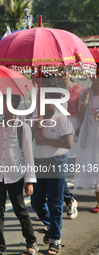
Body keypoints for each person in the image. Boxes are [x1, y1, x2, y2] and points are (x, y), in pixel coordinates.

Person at [0, 94, 38, 255]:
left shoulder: (22, 127)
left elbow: (28, 156)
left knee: (20, 210)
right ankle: (0, 248)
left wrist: (29, 181)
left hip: (15, 176)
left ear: (12, 104)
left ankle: (31, 241)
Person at [30, 77, 74, 255]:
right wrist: (34, 129)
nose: (43, 102)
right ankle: (51, 225)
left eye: (47, 99)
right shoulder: (34, 118)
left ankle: (55, 240)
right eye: (40, 99)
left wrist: (44, 139)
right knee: (37, 201)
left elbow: (68, 143)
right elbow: (27, 139)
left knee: (55, 204)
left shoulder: (61, 119)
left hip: (56, 164)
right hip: (38, 163)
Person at [73, 74, 99, 213]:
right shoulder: (85, 93)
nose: (96, 79)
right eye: (94, 76)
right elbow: (81, 117)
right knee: (94, 165)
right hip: (89, 134)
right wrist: (83, 103)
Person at [59, 71, 81, 219]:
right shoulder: (54, 91)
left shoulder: (78, 90)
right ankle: (67, 200)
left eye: (65, 72)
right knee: (60, 167)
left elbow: (82, 111)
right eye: (59, 73)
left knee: (78, 165)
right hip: (60, 129)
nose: (62, 75)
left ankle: (69, 199)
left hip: (76, 129)